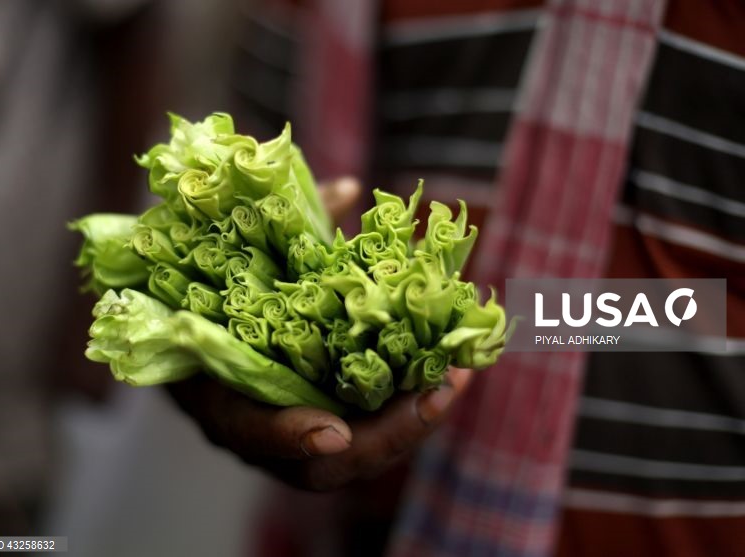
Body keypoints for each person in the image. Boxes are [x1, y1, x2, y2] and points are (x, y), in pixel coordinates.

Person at [170, 1, 745, 556]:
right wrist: (214, 339)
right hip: (358, 527)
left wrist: (510, 318)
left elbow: (697, 312)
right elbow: (229, 178)